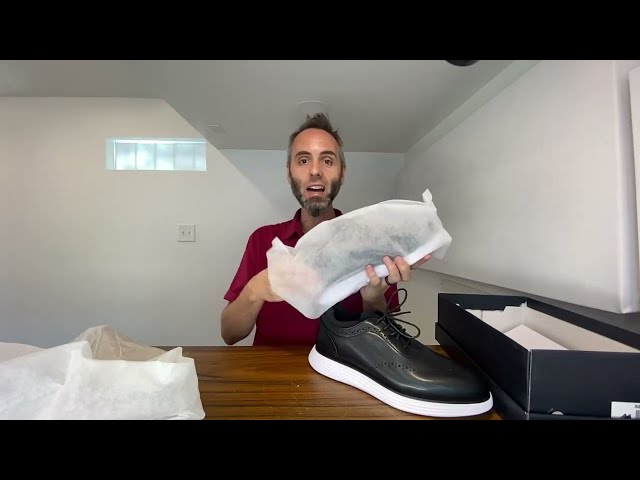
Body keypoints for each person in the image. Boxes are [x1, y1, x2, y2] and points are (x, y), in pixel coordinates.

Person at [220, 113, 431, 346]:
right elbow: (230, 335)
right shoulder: (262, 240)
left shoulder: (373, 244)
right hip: (272, 369)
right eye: (303, 160)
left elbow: (387, 343)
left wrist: (373, 299)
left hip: (347, 367)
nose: (315, 171)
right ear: (289, 173)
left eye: (327, 161)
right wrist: (255, 290)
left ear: (342, 172)